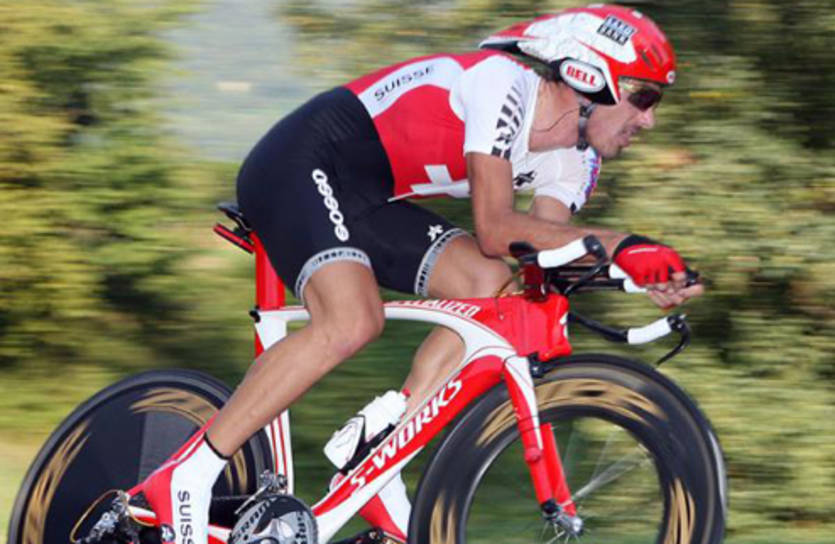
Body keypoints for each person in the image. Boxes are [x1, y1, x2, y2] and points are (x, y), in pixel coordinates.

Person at [138, 4, 703, 543]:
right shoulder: (502, 86)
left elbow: (539, 250)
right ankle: (188, 473)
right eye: (644, 97)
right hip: (302, 160)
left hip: (369, 199)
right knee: (352, 320)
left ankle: (379, 455)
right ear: (588, 76)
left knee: (497, 290)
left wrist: (634, 270)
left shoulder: (577, 161)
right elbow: (495, 229)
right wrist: (624, 246)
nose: (648, 120)